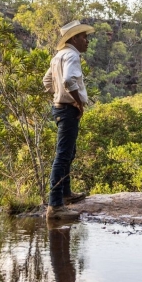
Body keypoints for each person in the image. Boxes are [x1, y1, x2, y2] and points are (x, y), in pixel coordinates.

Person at [42, 19, 95, 221]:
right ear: (74, 38)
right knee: (64, 155)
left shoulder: (59, 55)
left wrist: (59, 96)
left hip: (59, 107)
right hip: (68, 110)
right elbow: (67, 80)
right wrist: (77, 102)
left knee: (69, 151)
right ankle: (55, 206)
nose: (87, 41)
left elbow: (47, 81)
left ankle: (65, 193)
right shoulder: (72, 55)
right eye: (84, 37)